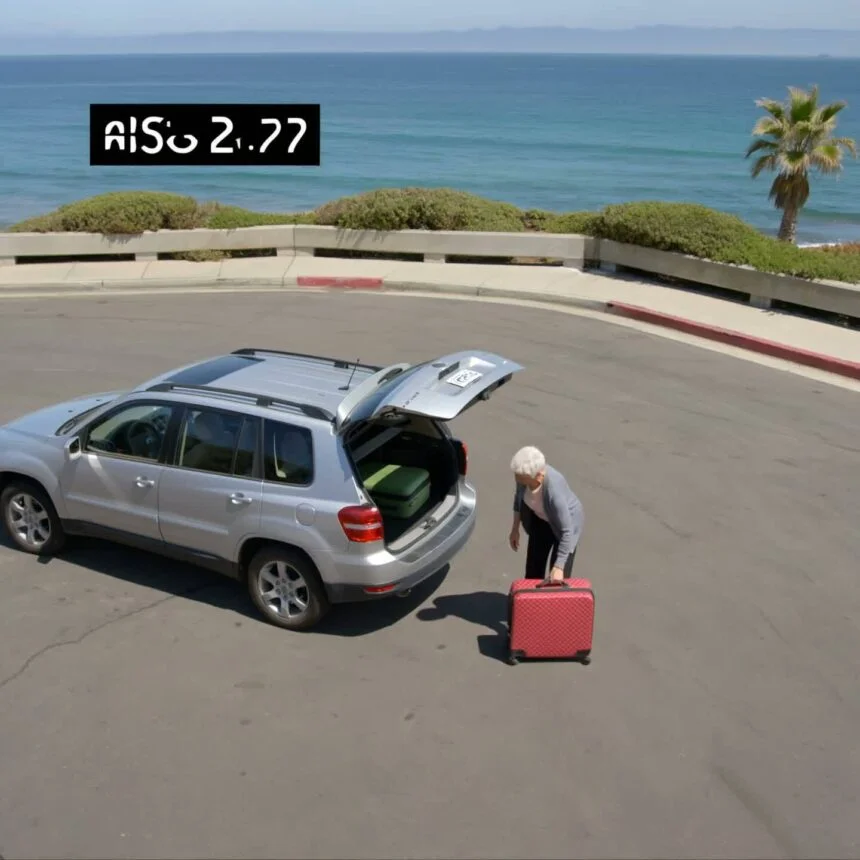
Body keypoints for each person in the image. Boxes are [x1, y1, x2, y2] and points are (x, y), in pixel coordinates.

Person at [508, 446, 584, 582]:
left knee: (556, 578)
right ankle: (531, 595)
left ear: (538, 476)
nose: (517, 479)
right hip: (542, 520)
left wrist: (559, 567)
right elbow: (518, 500)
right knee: (533, 571)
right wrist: (515, 529)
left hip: (565, 526)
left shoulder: (554, 492)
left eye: (522, 478)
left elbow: (567, 531)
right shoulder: (523, 476)